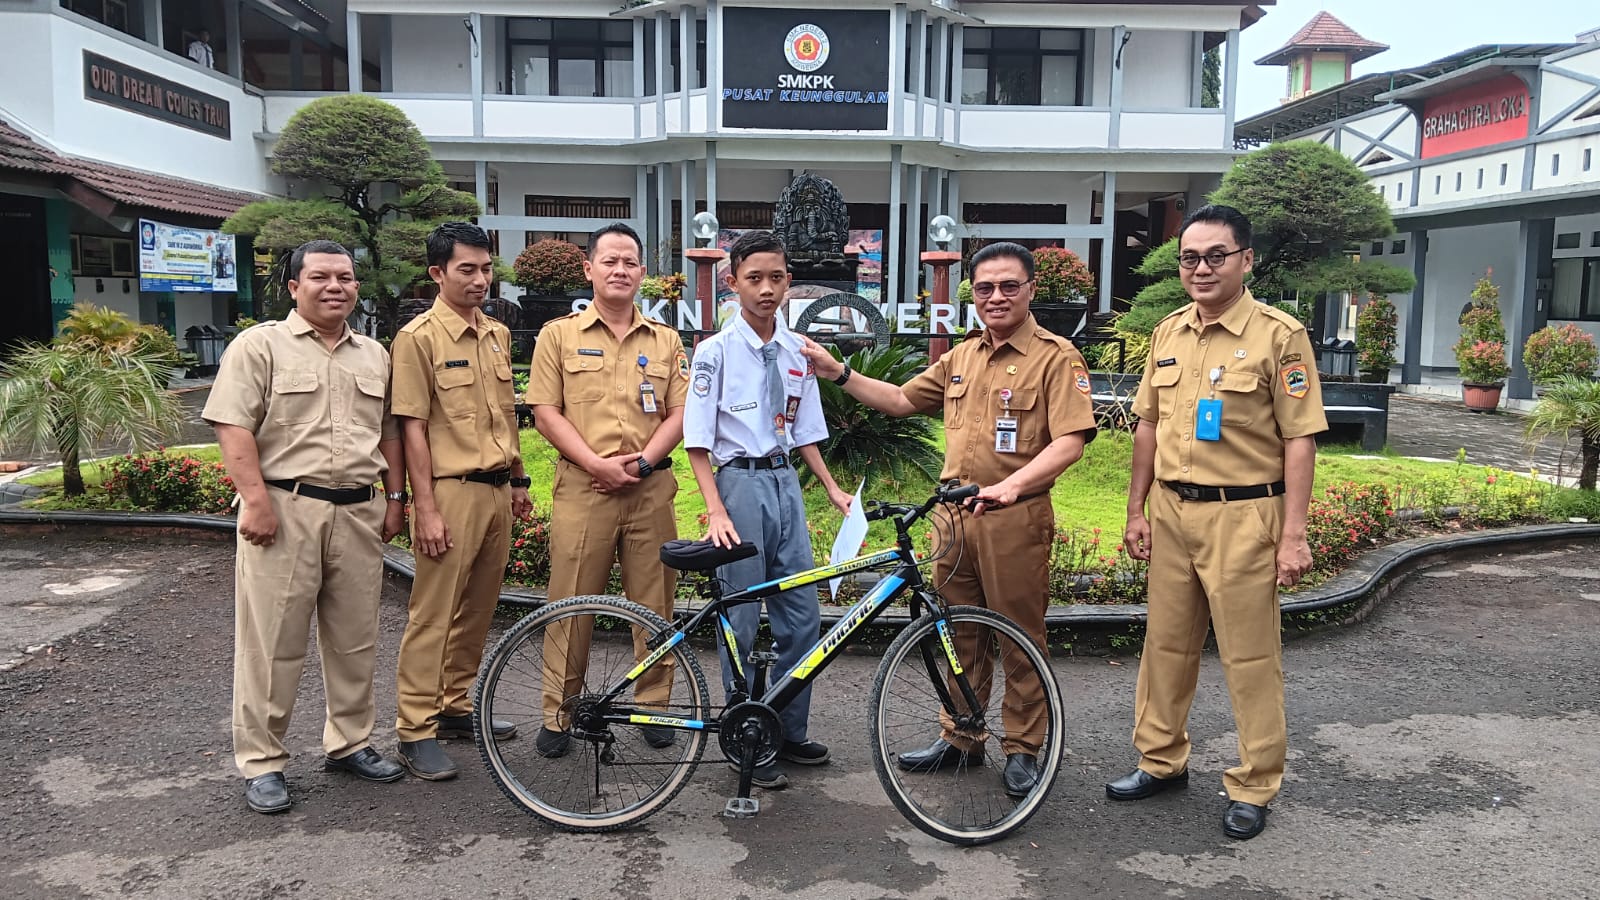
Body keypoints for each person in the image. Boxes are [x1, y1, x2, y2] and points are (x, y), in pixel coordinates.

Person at [799, 241, 1097, 798]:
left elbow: (1072, 440)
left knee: (1019, 636)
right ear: (973, 295)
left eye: (1009, 286)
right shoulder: (961, 358)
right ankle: (962, 734)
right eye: (985, 288)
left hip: (1014, 517)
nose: (996, 297)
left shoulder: (1056, 357)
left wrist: (1009, 487)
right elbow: (898, 399)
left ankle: (1024, 747)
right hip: (954, 520)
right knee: (957, 631)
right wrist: (836, 371)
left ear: (1032, 289)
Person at [1108, 204, 1326, 841]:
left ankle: (1255, 783)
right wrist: (1135, 509)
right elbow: (1147, 424)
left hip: (1243, 513)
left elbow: (1301, 439)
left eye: (1215, 257)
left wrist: (1293, 533)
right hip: (1173, 510)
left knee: (1249, 655)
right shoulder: (1169, 332)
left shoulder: (1278, 336)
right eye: (1189, 258)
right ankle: (1160, 759)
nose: (1200, 269)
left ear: (1245, 260)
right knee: (1166, 645)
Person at [203, 239, 408, 814]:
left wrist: (396, 498)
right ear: (294, 287)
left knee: (355, 637)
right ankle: (263, 761)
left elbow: (388, 432)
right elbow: (232, 426)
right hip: (285, 509)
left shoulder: (375, 355)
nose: (335, 287)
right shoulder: (259, 346)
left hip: (359, 510)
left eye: (345, 277)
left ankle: (350, 742)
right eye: (320, 277)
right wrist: (255, 501)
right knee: (273, 640)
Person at [684, 230, 854, 790]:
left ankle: (784, 726)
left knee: (802, 614)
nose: (766, 289)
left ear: (789, 283)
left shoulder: (797, 351)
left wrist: (829, 487)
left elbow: (803, 428)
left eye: (776, 278)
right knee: (739, 615)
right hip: (738, 488)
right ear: (732, 282)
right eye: (754, 278)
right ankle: (743, 738)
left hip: (785, 486)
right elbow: (698, 440)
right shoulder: (714, 353)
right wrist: (715, 511)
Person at [525, 222, 687, 758]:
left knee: (655, 602)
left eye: (630, 262)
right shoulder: (559, 335)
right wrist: (597, 463)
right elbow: (545, 412)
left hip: (649, 489)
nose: (620, 270)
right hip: (585, 488)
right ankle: (558, 712)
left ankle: (654, 705)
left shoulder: (665, 340)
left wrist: (639, 463)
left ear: (643, 273)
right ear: (588, 269)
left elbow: (682, 413)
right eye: (609, 261)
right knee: (570, 601)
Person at [389, 222, 533, 780]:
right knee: (433, 613)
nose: (479, 279)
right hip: (450, 491)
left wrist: (519, 481)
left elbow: (504, 417)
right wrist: (423, 508)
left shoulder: (496, 334)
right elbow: (412, 429)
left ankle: (453, 705)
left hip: (497, 490)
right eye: (466, 269)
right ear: (437, 274)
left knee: (477, 607)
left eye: (485, 268)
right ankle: (414, 728)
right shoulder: (418, 338)